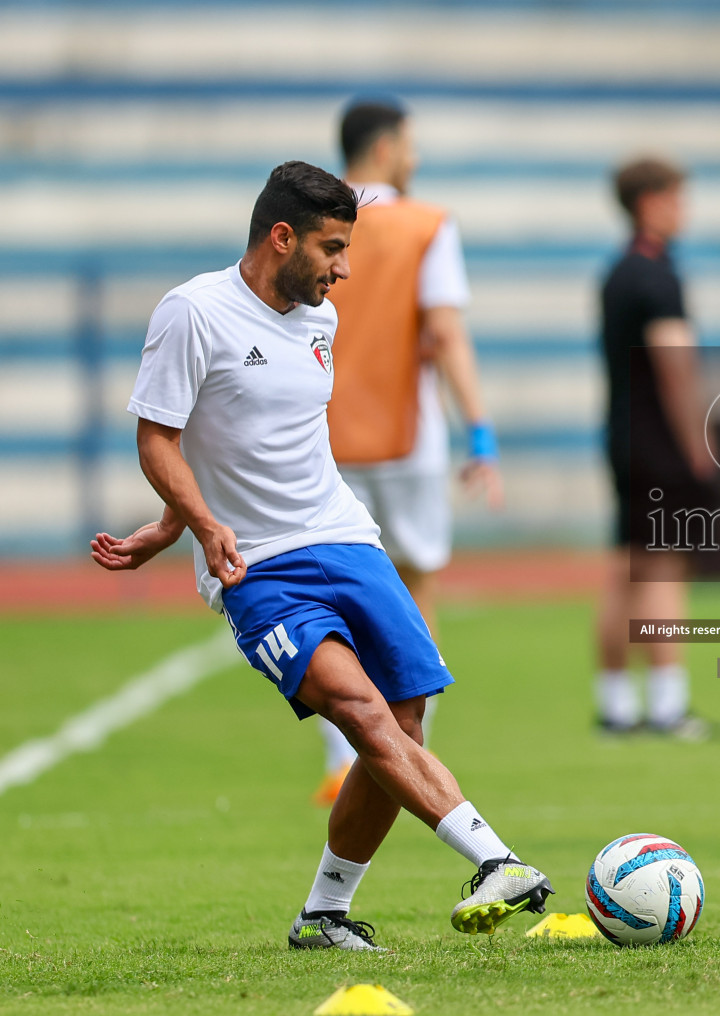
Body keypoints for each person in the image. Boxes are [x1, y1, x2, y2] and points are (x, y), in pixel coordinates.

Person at [90, 162, 552, 952]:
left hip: (346, 536)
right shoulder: (192, 313)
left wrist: (171, 525)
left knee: (406, 717)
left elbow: (254, 440)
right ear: (282, 237)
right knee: (361, 712)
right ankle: (495, 861)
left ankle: (324, 915)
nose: (344, 269)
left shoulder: (320, 320)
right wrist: (196, 528)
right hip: (259, 569)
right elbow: (159, 438)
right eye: (333, 248)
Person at [308, 98, 504, 806]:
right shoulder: (426, 226)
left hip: (322, 436)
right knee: (415, 586)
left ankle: (342, 759)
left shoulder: (314, 222)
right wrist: (479, 427)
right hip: (407, 437)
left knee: (334, 596)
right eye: (410, 146)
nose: (414, 158)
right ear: (387, 148)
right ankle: (408, 751)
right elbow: (446, 332)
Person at [594, 157, 713, 739]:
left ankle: (615, 701)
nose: (682, 209)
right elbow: (677, 365)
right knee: (663, 569)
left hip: (623, 438)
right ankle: (668, 703)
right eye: (676, 196)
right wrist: (699, 443)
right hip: (660, 444)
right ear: (650, 202)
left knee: (625, 571)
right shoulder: (657, 276)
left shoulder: (618, 273)